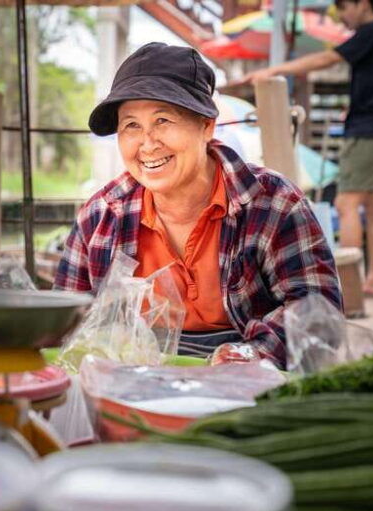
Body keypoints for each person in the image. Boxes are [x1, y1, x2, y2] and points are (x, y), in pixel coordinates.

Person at [54, 42, 342, 370]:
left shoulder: (275, 204)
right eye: (131, 125)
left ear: (207, 126)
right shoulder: (101, 216)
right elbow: (68, 325)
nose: (147, 143)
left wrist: (247, 357)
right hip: (132, 382)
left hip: (250, 383)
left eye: (163, 120)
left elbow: (320, 312)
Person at [239, 0, 373, 298]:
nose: (343, 15)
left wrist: (276, 69)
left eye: (345, 7)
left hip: (366, 130)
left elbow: (326, 60)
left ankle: (350, 289)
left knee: (347, 205)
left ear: (363, 4)